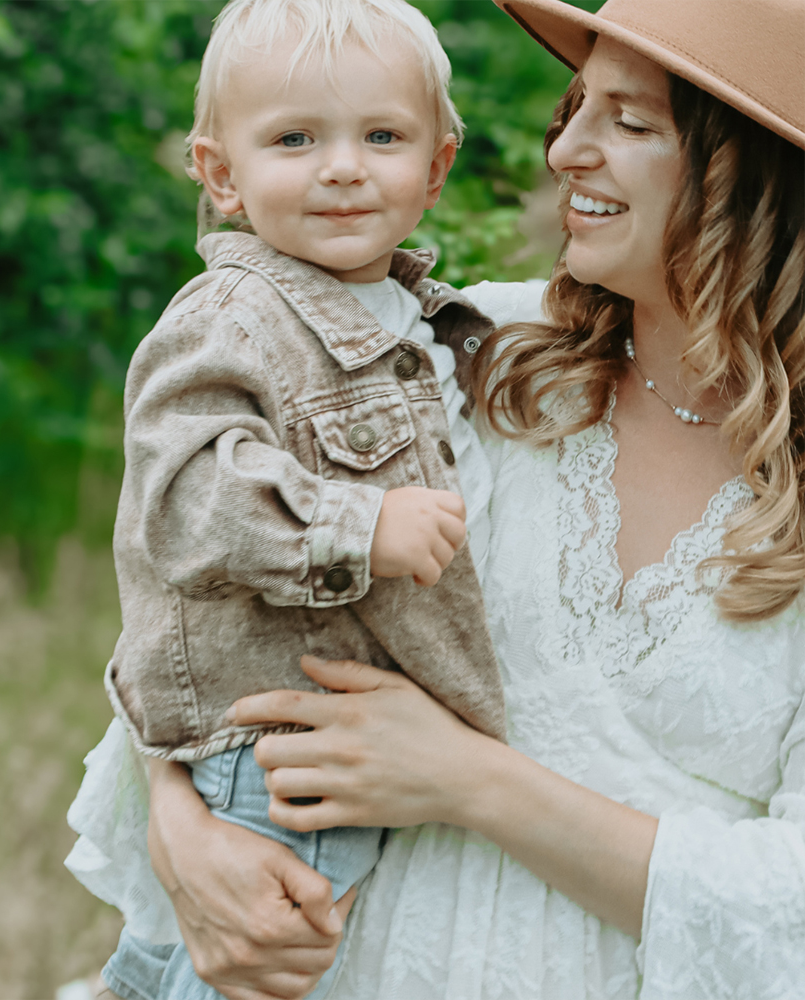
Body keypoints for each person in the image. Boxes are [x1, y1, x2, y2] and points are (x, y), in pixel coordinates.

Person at [66, 0, 805, 997]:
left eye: (629, 122)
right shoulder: (456, 357)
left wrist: (470, 781)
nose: (565, 151)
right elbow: (210, 576)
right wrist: (180, 821)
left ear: (756, 177)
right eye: (576, 108)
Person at [93, 1, 518, 996]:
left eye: (382, 137)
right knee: (268, 958)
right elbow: (185, 497)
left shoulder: (418, 319)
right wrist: (354, 525)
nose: (342, 167)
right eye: (294, 139)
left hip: (339, 747)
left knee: (178, 965)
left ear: (437, 169)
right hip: (281, 749)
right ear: (220, 174)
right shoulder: (232, 317)